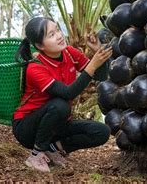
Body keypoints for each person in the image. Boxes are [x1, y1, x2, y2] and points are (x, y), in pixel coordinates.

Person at [12, 17, 113, 172]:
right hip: (27, 128)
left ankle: (52, 148)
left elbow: (100, 76)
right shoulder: (35, 68)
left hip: (56, 124)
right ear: (40, 45)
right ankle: (35, 155)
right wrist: (92, 65)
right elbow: (67, 93)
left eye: (57, 29)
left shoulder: (69, 53)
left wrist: (97, 51)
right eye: (51, 34)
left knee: (102, 132)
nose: (59, 35)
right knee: (61, 105)